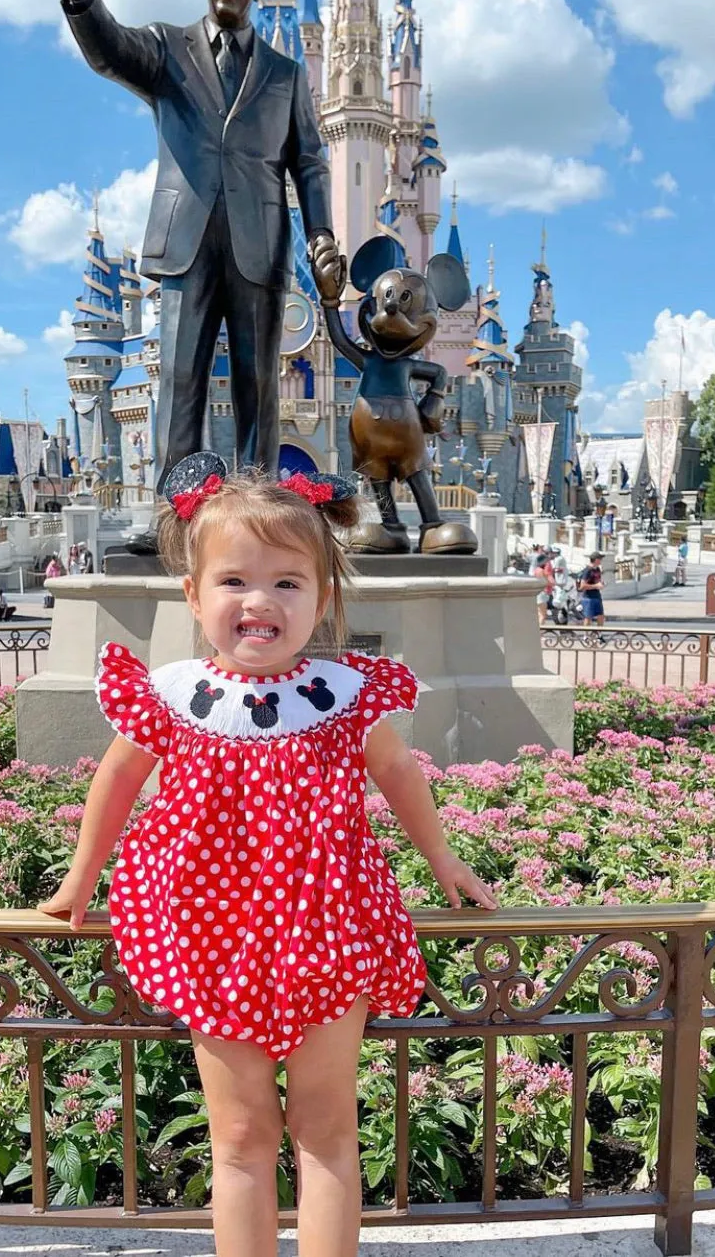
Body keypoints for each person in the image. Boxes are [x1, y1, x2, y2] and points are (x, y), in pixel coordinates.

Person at [38, 454, 497, 1257]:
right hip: (211, 941)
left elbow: (396, 772)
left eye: (288, 581)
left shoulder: (342, 694)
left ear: (322, 598)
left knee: (325, 1131)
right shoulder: (175, 694)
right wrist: (84, 877)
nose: (260, 600)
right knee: (242, 1137)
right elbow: (115, 782)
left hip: (328, 935)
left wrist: (444, 861)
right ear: (193, 594)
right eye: (233, 581)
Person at [46, 0, 340, 548]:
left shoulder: (286, 75)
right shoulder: (168, 49)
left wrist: (320, 236)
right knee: (182, 379)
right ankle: (175, 517)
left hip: (260, 243)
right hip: (185, 242)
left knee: (259, 385)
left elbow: (311, 160)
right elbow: (111, 52)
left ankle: (262, 518)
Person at [577, 552, 606, 627]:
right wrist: (596, 585)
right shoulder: (588, 570)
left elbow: (596, 581)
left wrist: (601, 584)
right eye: (600, 559)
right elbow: (582, 586)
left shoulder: (598, 569)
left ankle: (599, 635)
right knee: (588, 617)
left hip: (597, 596)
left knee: (601, 616)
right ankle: (586, 636)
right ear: (596, 560)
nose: (601, 560)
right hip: (588, 597)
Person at [532, 546, 555, 626]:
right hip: (543, 592)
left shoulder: (536, 569)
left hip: (538, 592)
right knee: (542, 615)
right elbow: (546, 581)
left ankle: (539, 634)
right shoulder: (542, 569)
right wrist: (552, 583)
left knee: (539, 614)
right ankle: (540, 635)